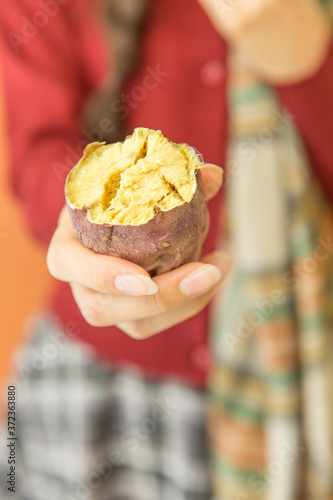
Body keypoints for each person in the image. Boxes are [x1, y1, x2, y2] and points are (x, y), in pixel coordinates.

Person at [0, 0, 333, 499]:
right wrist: (97, 242)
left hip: (298, 374)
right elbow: (38, 152)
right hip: (100, 388)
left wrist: (310, 64)